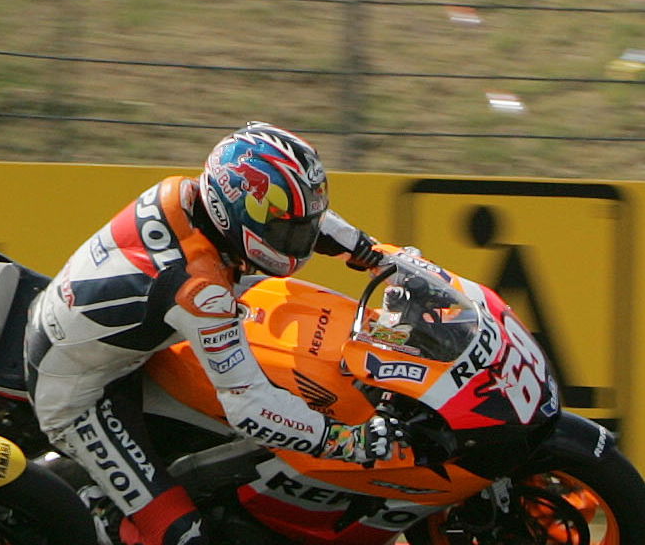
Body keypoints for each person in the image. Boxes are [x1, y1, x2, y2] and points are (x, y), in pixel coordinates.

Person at [24, 123, 410, 545]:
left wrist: (375, 255)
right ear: (234, 211)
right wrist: (348, 442)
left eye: (297, 228)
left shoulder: (190, 197)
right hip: (79, 395)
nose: (298, 241)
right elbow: (252, 407)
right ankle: (98, 519)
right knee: (183, 537)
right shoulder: (200, 288)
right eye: (286, 231)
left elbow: (309, 222)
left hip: (113, 340)